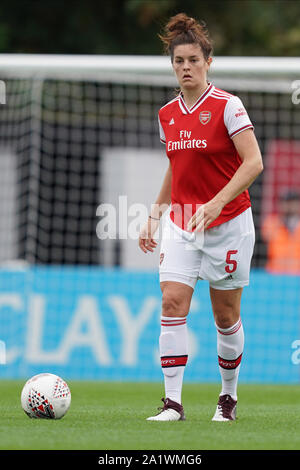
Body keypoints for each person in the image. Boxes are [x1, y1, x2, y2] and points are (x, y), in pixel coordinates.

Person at [138, 13, 263, 422]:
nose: (186, 67)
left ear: (208, 61)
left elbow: (253, 162)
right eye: (179, 61)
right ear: (172, 66)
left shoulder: (228, 106)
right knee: (172, 301)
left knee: (225, 316)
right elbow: (177, 167)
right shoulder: (167, 114)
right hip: (182, 224)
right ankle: (172, 403)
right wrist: (155, 215)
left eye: (193, 59)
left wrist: (215, 204)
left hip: (228, 224)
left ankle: (227, 397)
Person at [261, 189, 300, 274]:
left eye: (293, 202)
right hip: (275, 273)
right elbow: (266, 237)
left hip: (297, 274)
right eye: (286, 202)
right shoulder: (271, 222)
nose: (289, 205)